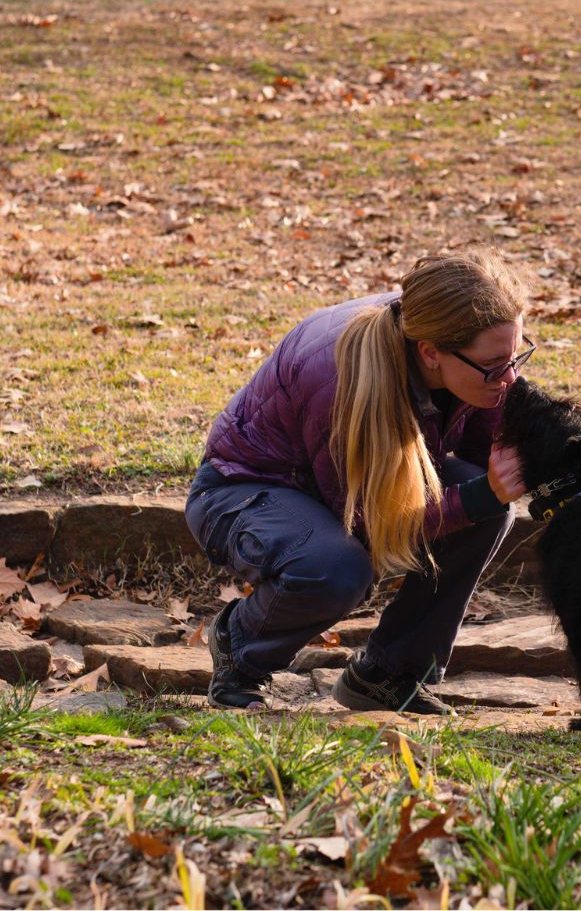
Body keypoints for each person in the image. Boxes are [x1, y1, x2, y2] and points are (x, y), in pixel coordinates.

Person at [184, 250, 534, 713]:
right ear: (431, 353)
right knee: (337, 566)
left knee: (487, 509)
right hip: (246, 491)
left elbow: (480, 455)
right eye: (495, 367)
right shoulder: (338, 374)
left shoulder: (465, 342)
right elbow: (374, 527)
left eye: (516, 356)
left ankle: (388, 674)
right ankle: (242, 646)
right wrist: (481, 495)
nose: (509, 377)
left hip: (352, 483)